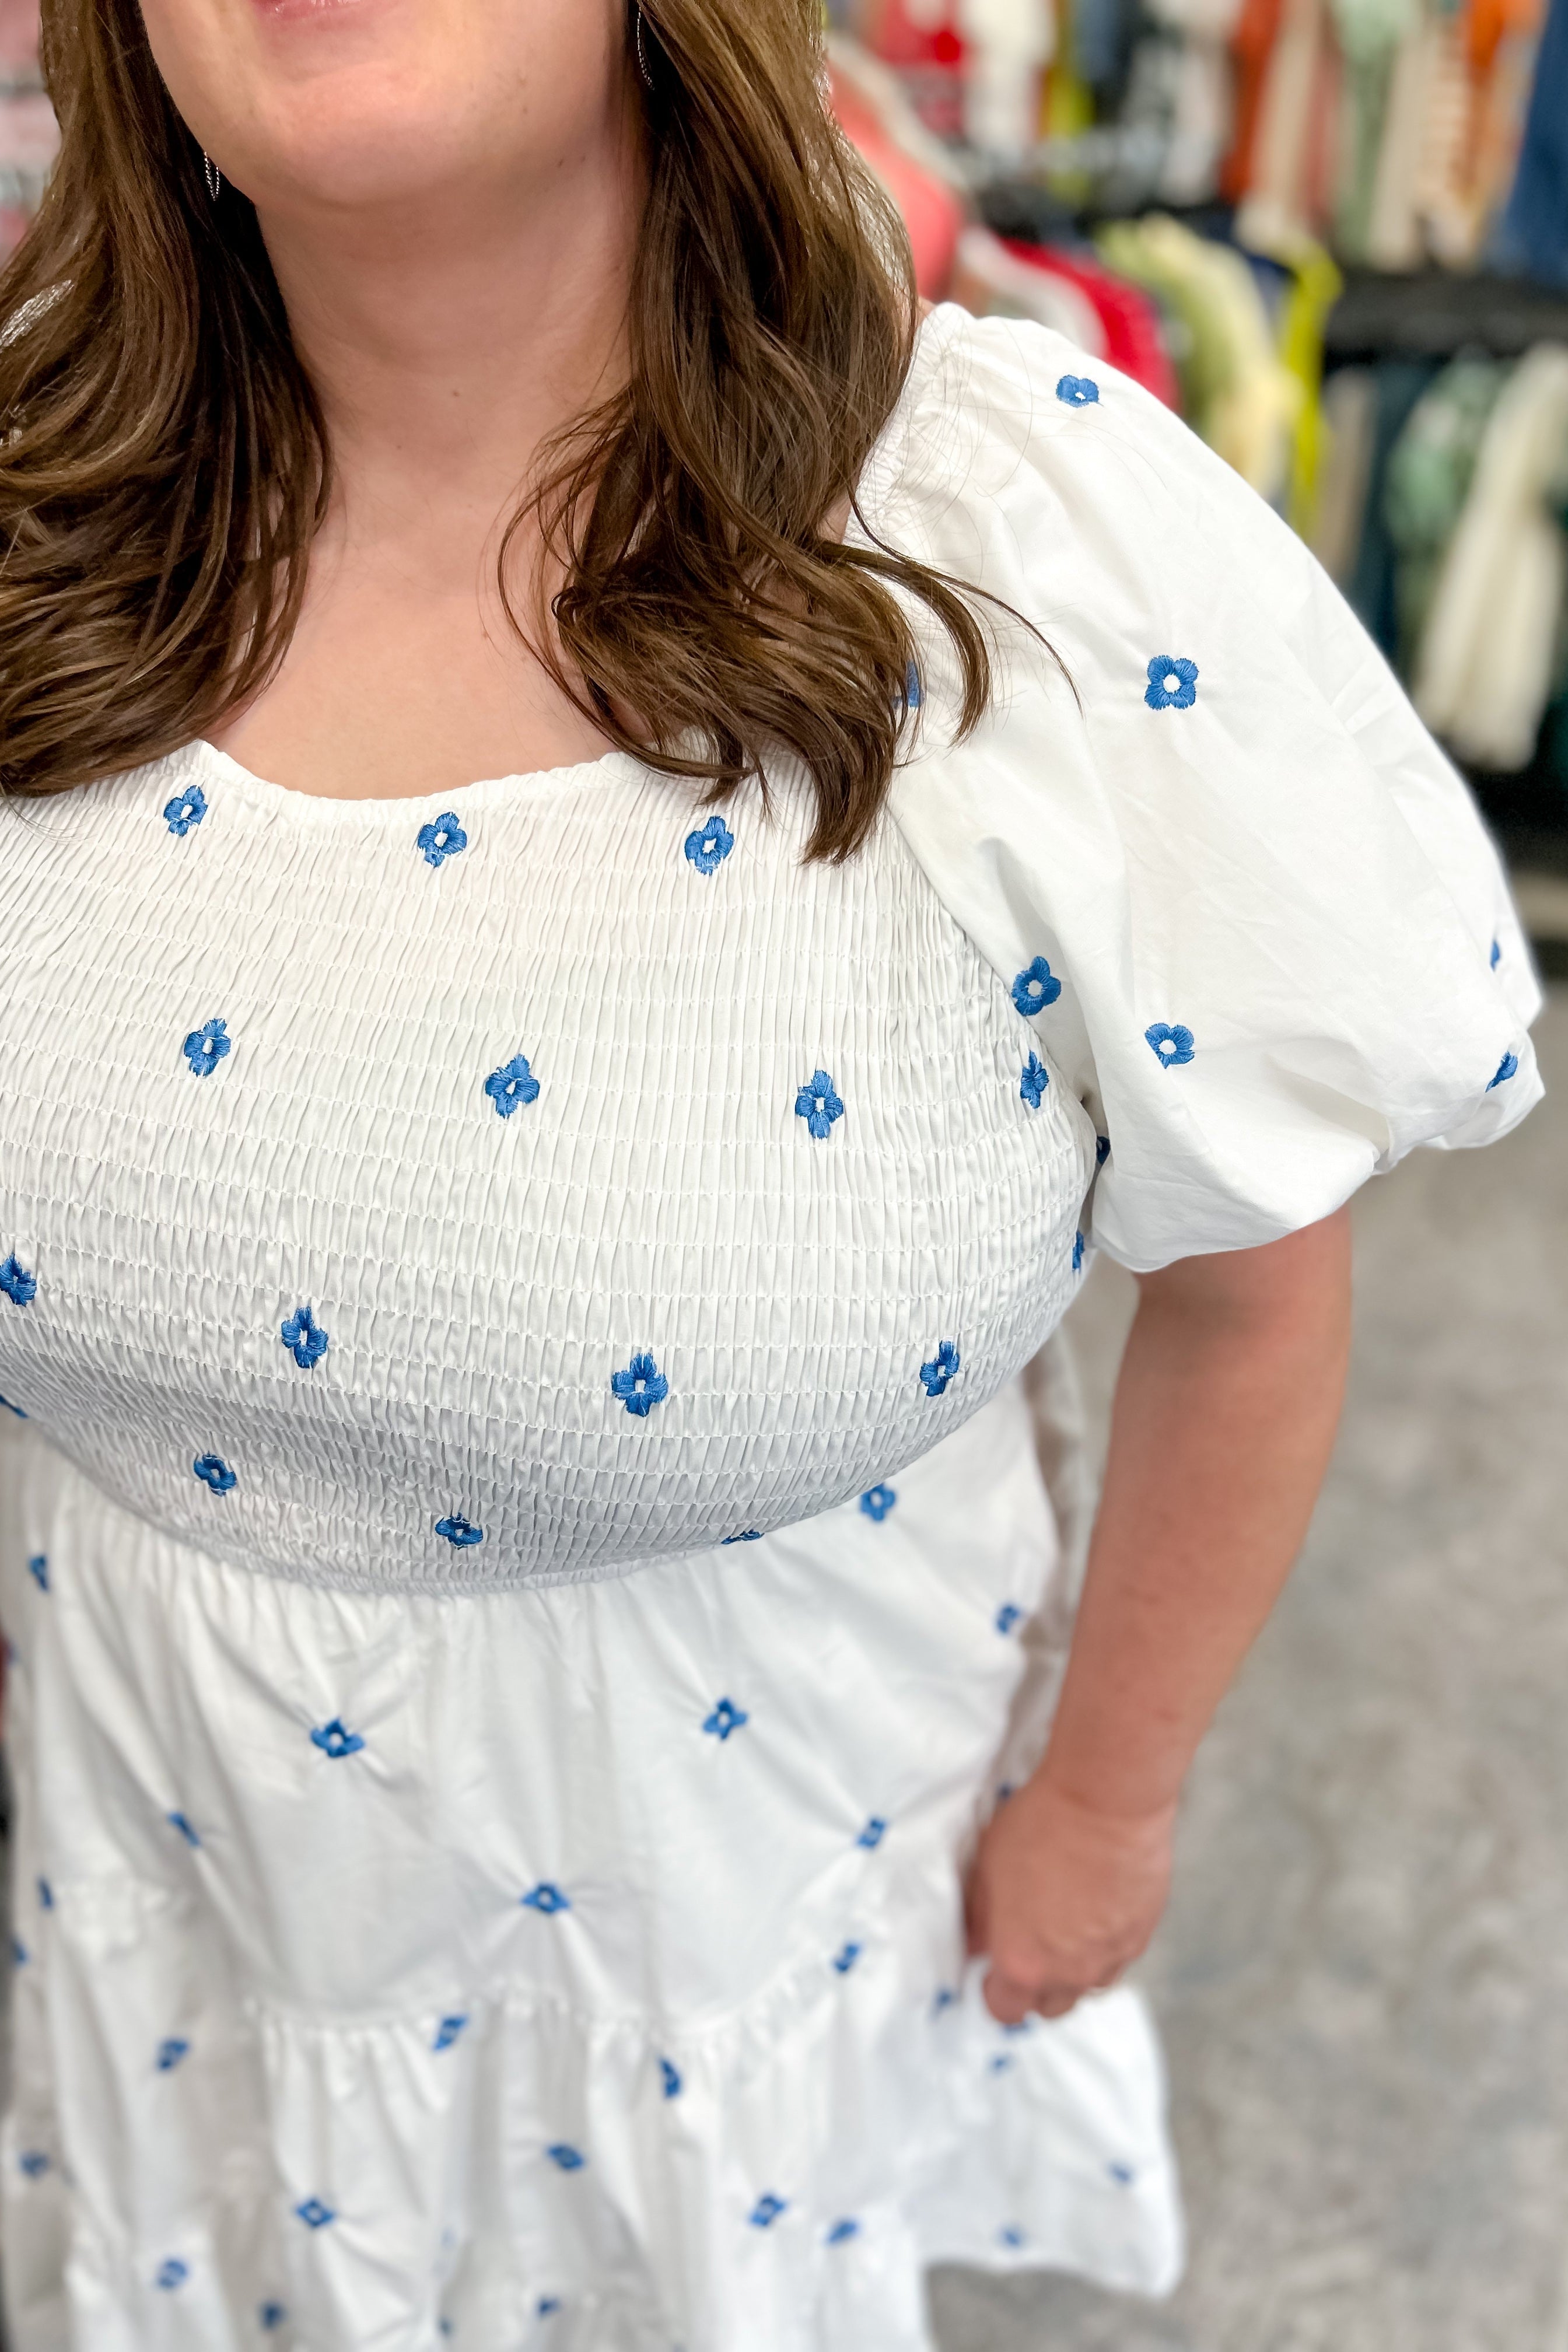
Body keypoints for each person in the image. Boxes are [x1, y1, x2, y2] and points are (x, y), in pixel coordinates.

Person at [0, 1, 1541, 2344]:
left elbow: (1250, 1283)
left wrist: (1108, 1806)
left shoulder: (1019, 555)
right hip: (154, 1902)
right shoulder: (37, 511)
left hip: (729, 1926)